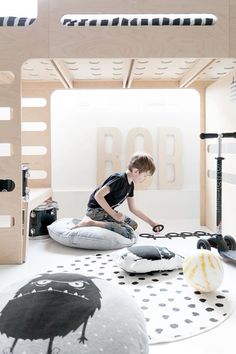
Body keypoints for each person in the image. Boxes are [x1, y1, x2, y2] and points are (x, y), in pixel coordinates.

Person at [71, 152, 162, 239]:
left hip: (105, 211)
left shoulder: (130, 185)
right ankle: (91, 223)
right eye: (145, 176)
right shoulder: (119, 179)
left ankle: (102, 223)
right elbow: (98, 195)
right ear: (136, 171)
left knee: (133, 225)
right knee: (128, 232)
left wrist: (152, 223)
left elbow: (133, 208)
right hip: (95, 211)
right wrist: (114, 214)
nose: (145, 179)